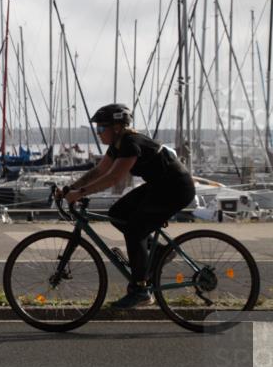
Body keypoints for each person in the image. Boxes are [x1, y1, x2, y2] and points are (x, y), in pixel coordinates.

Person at [56, 104, 195, 308]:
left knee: (135, 230)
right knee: (118, 213)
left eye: (102, 128)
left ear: (117, 127)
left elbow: (113, 177)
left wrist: (81, 194)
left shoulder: (130, 142)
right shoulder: (118, 144)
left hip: (176, 188)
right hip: (160, 185)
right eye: (98, 129)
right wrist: (70, 188)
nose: (99, 133)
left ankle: (141, 290)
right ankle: (158, 252)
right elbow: (99, 171)